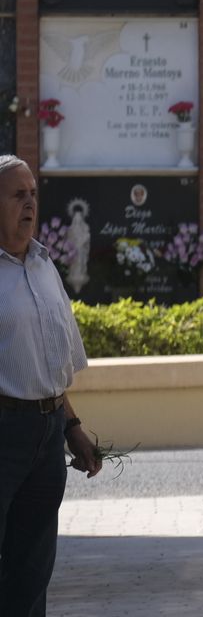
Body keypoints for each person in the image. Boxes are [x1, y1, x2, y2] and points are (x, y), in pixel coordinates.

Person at [0, 155, 101, 615]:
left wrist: (71, 425)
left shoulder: (43, 267)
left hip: (46, 436)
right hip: (4, 433)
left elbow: (50, 363)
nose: (29, 204)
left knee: (33, 569)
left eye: (33, 194)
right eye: (17, 194)